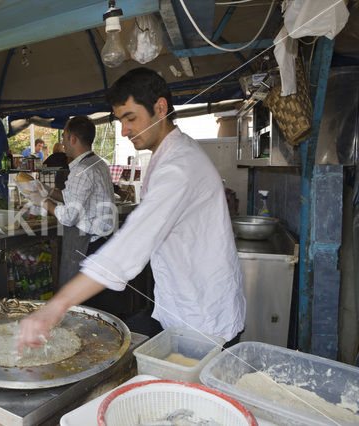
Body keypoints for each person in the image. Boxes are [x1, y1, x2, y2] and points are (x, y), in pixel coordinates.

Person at [18, 67, 245, 351]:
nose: (124, 130)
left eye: (131, 118)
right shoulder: (167, 155)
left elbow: (133, 242)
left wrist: (56, 306)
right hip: (181, 308)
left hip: (203, 320)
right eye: (120, 120)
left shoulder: (180, 165)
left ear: (160, 108)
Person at [26, 116, 115, 298]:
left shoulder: (82, 170)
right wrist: (48, 191)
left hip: (87, 247)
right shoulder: (98, 163)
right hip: (101, 244)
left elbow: (69, 216)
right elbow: (72, 198)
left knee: (81, 303)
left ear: (72, 139)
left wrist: (41, 201)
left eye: (64, 137)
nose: (63, 143)